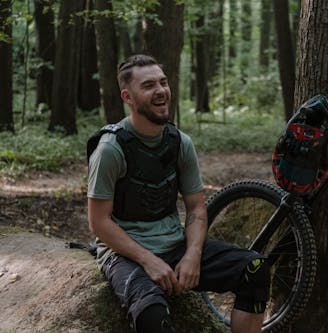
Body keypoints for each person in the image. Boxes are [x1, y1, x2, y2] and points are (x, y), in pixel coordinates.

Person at [87, 54, 270, 333]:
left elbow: (196, 207)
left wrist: (193, 254)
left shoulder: (180, 143)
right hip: (125, 256)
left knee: (254, 269)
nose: (160, 90)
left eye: (163, 82)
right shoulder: (111, 149)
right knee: (152, 315)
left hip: (175, 246)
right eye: (148, 85)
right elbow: (98, 222)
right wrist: (149, 261)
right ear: (128, 96)